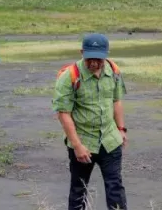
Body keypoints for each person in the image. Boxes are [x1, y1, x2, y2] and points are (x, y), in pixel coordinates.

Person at [52, 33, 128, 210]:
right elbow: (64, 113)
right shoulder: (69, 76)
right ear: (81, 52)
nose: (94, 63)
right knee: (79, 189)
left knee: (115, 186)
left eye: (99, 59)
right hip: (83, 142)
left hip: (110, 140)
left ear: (106, 54)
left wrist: (121, 129)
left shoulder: (114, 71)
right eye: (90, 59)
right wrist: (77, 146)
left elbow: (116, 101)